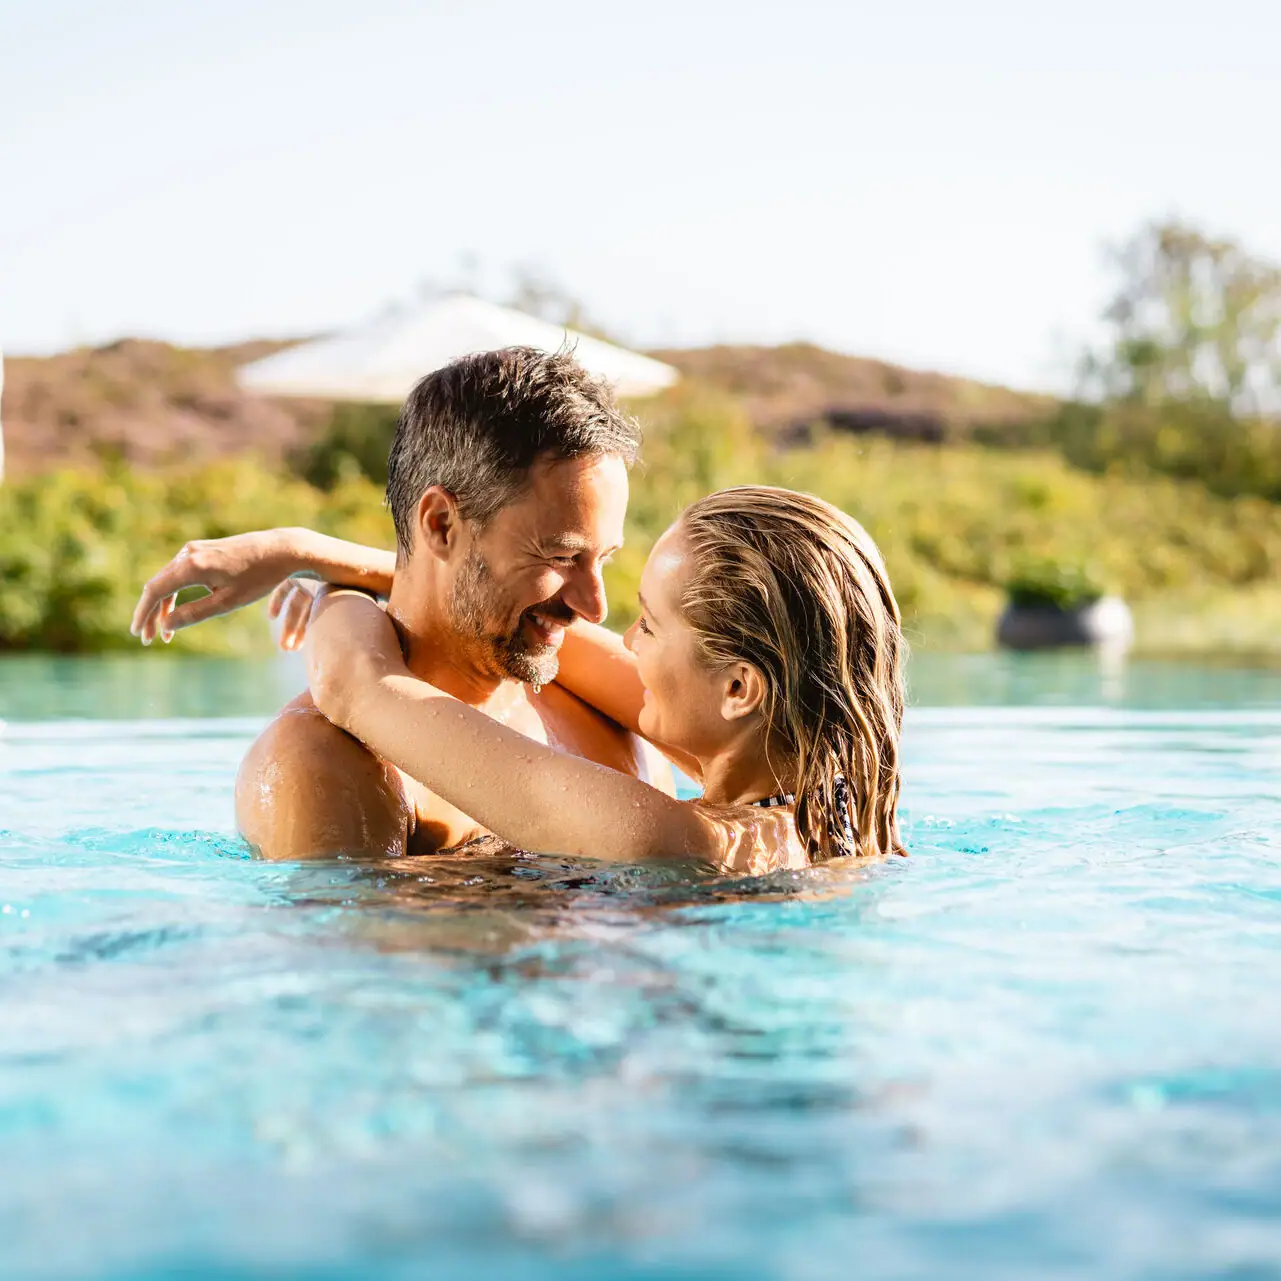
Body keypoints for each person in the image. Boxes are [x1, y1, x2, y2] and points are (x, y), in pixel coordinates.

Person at [133, 347, 676, 860]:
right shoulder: (328, 763)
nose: (595, 606)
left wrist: (311, 555)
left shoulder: (622, 707)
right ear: (440, 525)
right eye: (560, 557)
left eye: (602, 558)